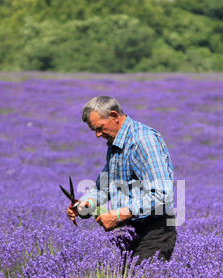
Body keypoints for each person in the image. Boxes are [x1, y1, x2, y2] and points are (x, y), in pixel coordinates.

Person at [67, 96, 177, 265]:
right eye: (93, 130)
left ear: (114, 116)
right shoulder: (115, 144)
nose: (97, 135)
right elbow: (104, 186)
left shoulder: (143, 141)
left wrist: (118, 215)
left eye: (99, 128)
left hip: (155, 229)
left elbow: (162, 195)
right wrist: (85, 205)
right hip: (129, 231)